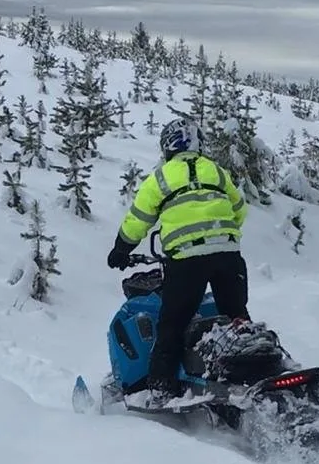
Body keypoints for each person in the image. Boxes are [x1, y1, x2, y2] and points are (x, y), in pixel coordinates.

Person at [107, 118, 249, 402]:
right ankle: (251, 369)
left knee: (172, 324)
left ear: (166, 146)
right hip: (228, 254)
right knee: (236, 316)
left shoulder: (161, 177)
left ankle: (161, 389)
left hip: (186, 261)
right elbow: (239, 208)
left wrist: (120, 250)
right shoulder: (216, 171)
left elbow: (139, 219)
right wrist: (218, 234)